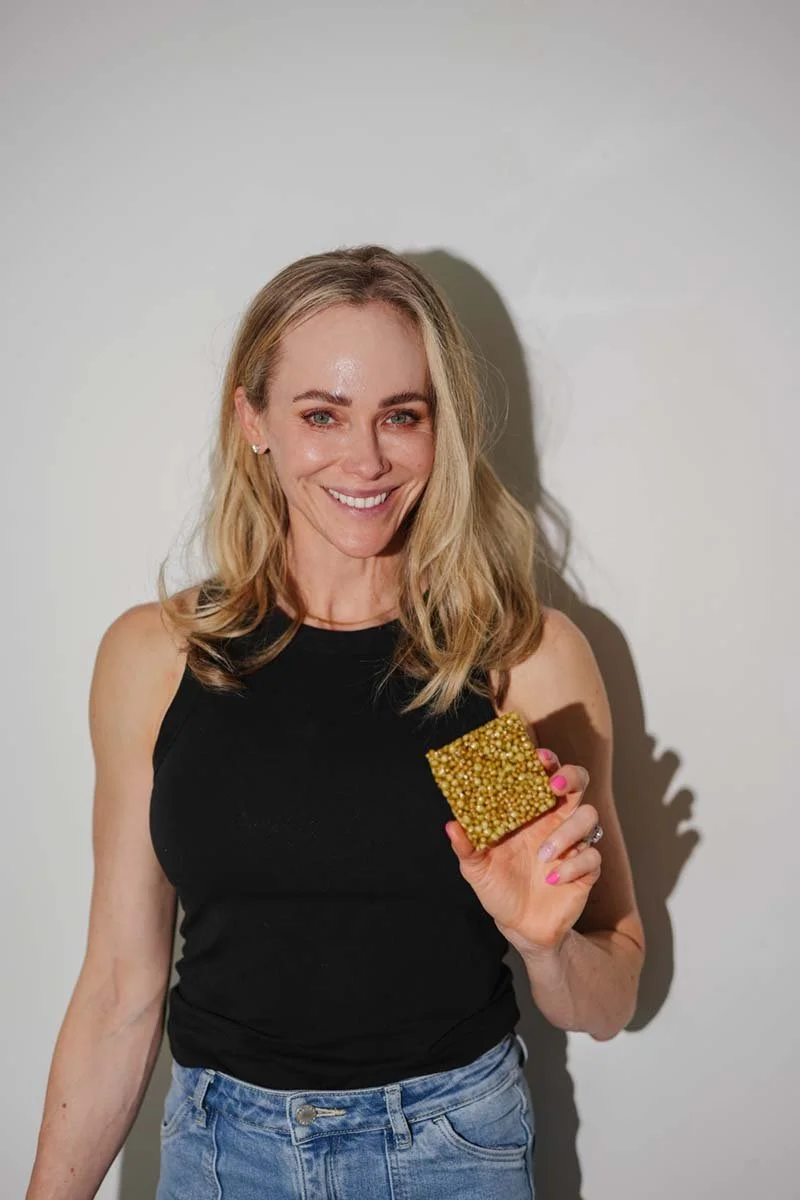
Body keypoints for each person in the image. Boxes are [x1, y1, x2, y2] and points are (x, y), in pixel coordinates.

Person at [26, 245, 645, 1200]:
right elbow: (120, 990)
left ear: (441, 430)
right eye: (323, 415)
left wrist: (546, 945)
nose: (364, 460)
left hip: (448, 1150)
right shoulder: (166, 659)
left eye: (402, 416)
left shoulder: (495, 663)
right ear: (254, 420)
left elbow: (606, 1001)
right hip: (223, 1152)